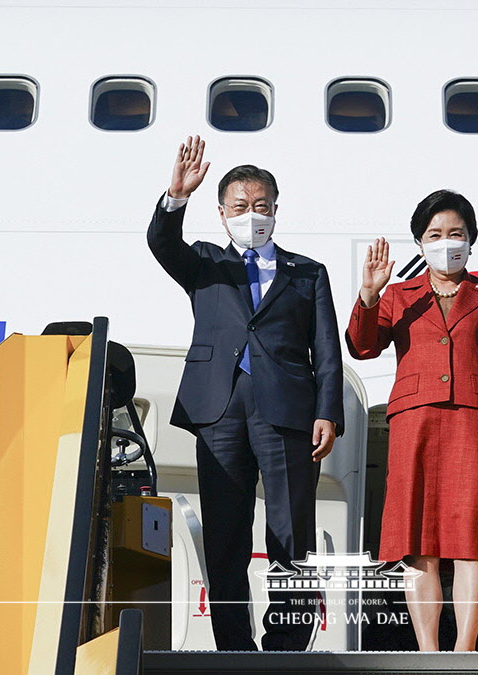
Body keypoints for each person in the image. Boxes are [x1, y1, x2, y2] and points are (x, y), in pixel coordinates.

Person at [147, 135, 345, 651]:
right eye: (240, 207)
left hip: (288, 412)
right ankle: (234, 646)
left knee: (292, 531)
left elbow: (326, 351)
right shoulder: (205, 264)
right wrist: (176, 197)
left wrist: (328, 413)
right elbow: (162, 244)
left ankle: (286, 646)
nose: (251, 215)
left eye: (260, 207)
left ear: (276, 210)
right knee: (225, 534)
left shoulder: (308, 272)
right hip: (219, 413)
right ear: (221, 212)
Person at [345, 189, 478, 652]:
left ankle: (464, 647)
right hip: (415, 424)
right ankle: (427, 649)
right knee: (417, 540)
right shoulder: (400, 295)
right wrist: (369, 294)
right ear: (420, 243)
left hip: (475, 423)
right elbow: (363, 347)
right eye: (435, 234)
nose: (447, 242)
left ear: (471, 240)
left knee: (473, 539)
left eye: (456, 234)